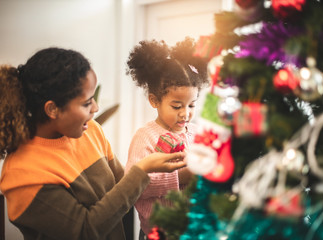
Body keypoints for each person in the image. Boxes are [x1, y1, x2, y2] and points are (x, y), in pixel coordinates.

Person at [0, 47, 187, 240]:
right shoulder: (22, 175)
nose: (96, 108)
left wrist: (172, 174)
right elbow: (85, 230)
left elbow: (123, 188)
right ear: (53, 109)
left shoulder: (91, 130)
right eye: (86, 102)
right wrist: (141, 170)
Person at [125, 37, 209, 238]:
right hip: (158, 232)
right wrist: (180, 177)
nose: (185, 114)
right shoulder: (145, 137)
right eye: (177, 106)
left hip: (193, 228)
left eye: (191, 105)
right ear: (155, 100)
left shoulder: (196, 132)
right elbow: (135, 185)